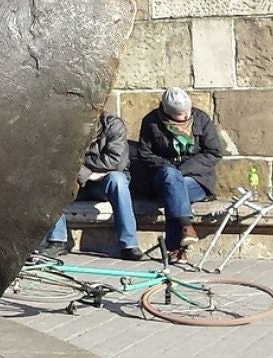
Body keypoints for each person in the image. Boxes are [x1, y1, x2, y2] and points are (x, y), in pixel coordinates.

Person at [132, 87, 221, 263]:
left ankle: (175, 249)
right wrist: (170, 169)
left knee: (174, 188)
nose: (184, 116)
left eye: (186, 111)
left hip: (196, 180)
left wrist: (181, 171)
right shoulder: (151, 122)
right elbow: (145, 154)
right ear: (167, 112)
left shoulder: (201, 119)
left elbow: (213, 152)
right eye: (179, 114)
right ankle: (186, 226)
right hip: (162, 177)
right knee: (171, 181)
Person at [44, 112, 139, 260]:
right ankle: (57, 241)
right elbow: (60, 160)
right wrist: (87, 174)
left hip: (104, 183)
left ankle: (129, 245)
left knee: (118, 180)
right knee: (53, 180)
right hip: (75, 183)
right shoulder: (66, 128)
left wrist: (81, 166)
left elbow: (116, 162)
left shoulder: (114, 125)